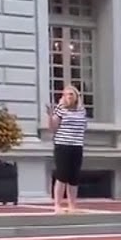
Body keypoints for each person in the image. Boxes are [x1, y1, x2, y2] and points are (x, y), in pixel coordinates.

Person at [47, 86, 87, 214]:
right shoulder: (61, 109)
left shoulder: (81, 110)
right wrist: (50, 115)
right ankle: (57, 205)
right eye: (66, 94)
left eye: (71, 94)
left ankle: (72, 205)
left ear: (76, 96)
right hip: (62, 144)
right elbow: (53, 127)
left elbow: (83, 127)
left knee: (74, 177)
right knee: (62, 175)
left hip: (77, 145)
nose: (69, 96)